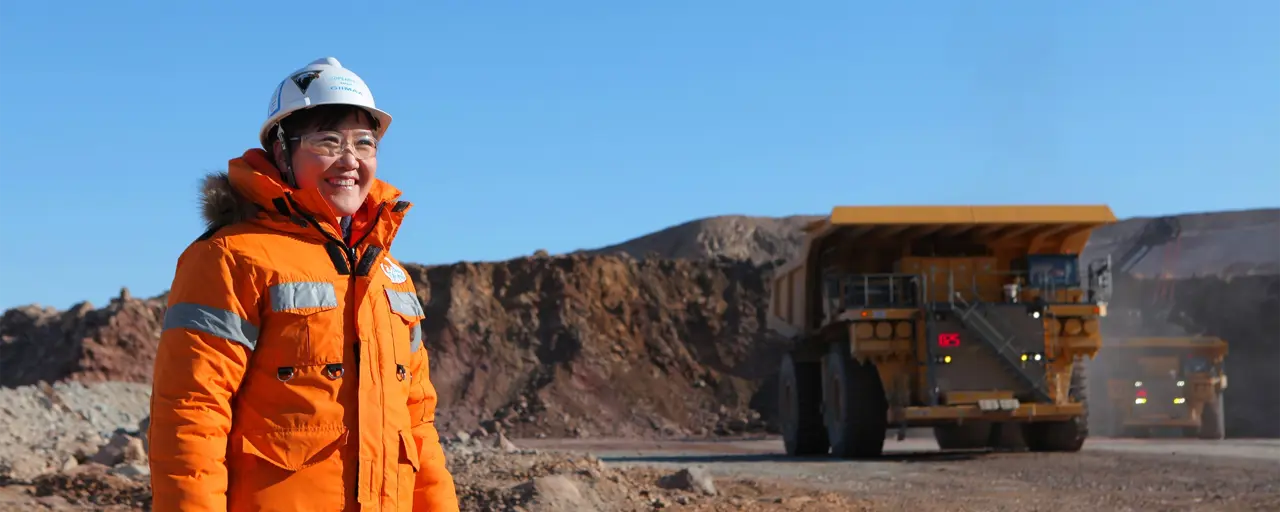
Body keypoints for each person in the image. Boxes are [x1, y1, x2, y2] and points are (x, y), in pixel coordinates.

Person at [148, 57, 459, 511]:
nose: (350, 160)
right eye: (328, 141)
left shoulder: (388, 276)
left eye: (364, 143)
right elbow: (191, 414)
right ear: (281, 150)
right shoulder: (232, 257)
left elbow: (418, 430)